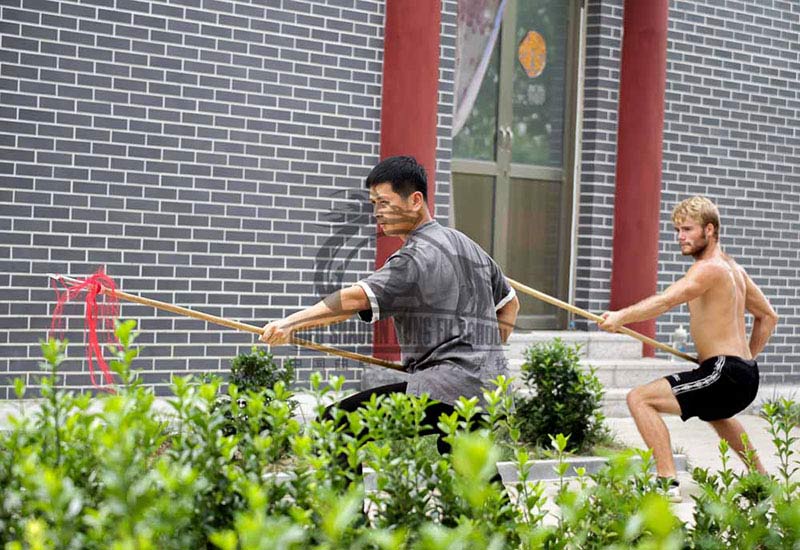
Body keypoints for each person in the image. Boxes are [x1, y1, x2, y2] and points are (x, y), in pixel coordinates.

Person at [260, 155, 520, 459]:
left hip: (448, 391)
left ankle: (345, 509)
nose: (377, 213)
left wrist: (290, 323)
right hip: (492, 391)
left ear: (415, 200)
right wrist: (484, 354)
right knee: (468, 468)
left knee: (338, 424)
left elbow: (355, 298)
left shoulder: (413, 258)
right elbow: (511, 304)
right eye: (373, 204)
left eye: (383, 202)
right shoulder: (466, 245)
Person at [598, 196, 778, 502]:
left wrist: (620, 317)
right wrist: (745, 360)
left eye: (687, 229)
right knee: (715, 413)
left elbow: (667, 300)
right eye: (677, 230)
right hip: (740, 372)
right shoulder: (734, 269)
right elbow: (768, 316)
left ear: (709, 230)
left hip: (726, 371)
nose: (680, 236)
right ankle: (761, 478)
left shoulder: (708, 269)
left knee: (639, 399)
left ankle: (666, 481)